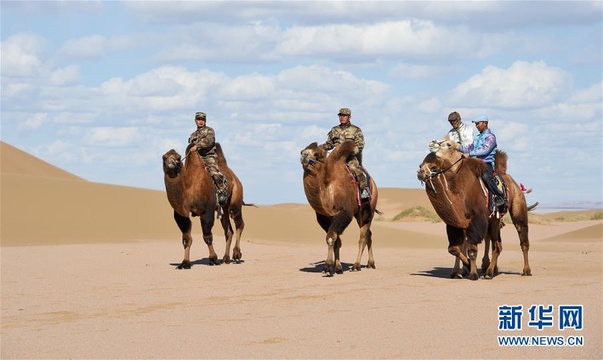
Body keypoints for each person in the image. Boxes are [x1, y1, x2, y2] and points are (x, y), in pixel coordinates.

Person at [319, 107, 370, 201]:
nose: (342, 117)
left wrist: (351, 152)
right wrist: (320, 147)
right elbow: (330, 144)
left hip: (350, 157)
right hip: (335, 157)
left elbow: (360, 145)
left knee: (356, 169)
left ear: (349, 117)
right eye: (340, 116)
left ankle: (364, 191)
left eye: (344, 116)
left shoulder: (356, 130)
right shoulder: (334, 129)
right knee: (323, 170)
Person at [458, 115, 505, 209]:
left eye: (478, 123)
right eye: (475, 124)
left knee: (486, 176)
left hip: (486, 164)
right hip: (474, 163)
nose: (476, 126)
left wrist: (470, 154)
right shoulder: (477, 137)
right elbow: (469, 148)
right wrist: (457, 147)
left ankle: (499, 196)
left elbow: (485, 150)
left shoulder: (491, 137)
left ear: (485, 123)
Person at [188, 111, 228, 205]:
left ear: (205, 121)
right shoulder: (193, 135)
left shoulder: (210, 131)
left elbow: (209, 141)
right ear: (195, 121)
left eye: (202, 119)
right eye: (199, 119)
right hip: (196, 158)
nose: (201, 121)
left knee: (215, 173)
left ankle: (221, 192)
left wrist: (197, 146)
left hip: (208, 157)